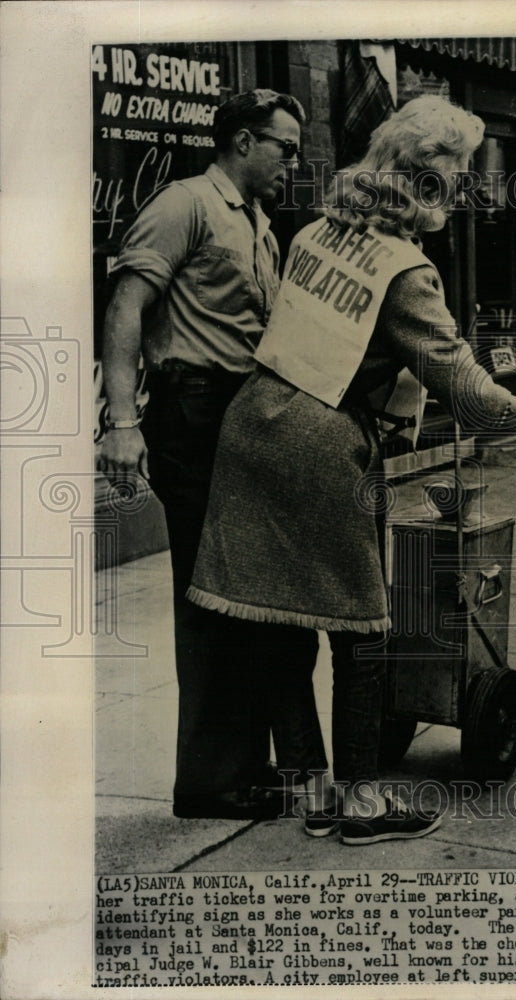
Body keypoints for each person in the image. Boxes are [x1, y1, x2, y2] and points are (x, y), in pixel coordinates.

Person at [187, 95, 516, 845]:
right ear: (424, 182)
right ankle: (361, 806)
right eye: (460, 177)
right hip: (319, 446)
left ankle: (313, 791)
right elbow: (476, 398)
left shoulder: (318, 230)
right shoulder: (407, 272)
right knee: (362, 632)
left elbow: (333, 337)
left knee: (279, 626)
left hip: (250, 428)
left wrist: (390, 399)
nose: (469, 193)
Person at [97, 89, 322, 820]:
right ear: (243, 142)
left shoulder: (259, 224)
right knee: (208, 592)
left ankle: (244, 769)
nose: (295, 162)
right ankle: (209, 782)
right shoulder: (185, 203)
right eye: (286, 147)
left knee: (243, 588)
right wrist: (121, 422)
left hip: (241, 414)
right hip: (191, 411)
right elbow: (127, 307)